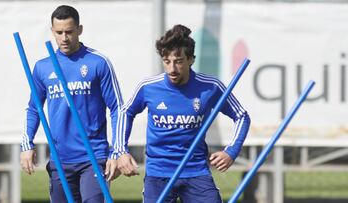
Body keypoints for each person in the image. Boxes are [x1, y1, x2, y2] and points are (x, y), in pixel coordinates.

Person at [115, 24, 250, 202]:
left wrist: (231, 152)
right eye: (167, 61)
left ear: (191, 59)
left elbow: (241, 116)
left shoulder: (210, 86)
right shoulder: (148, 87)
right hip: (158, 174)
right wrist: (120, 151)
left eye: (178, 61)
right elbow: (125, 113)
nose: (172, 69)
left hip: (196, 171)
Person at [20, 5, 122, 202]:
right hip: (61, 159)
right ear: (52, 31)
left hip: (93, 157)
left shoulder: (98, 62)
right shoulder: (43, 67)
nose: (64, 38)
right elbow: (33, 109)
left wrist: (116, 151)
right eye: (59, 33)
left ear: (80, 30)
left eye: (69, 32)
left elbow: (117, 107)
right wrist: (26, 145)